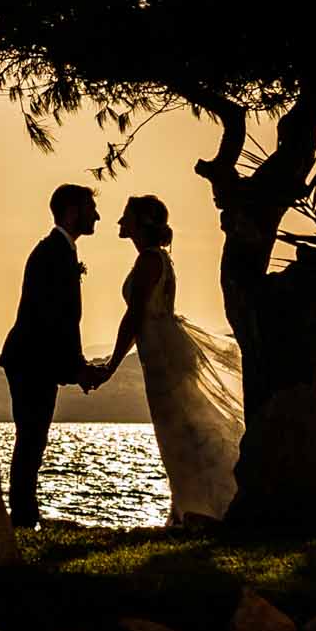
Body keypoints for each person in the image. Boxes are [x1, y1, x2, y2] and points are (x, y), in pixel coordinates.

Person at [96, 195, 241, 526]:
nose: (119, 222)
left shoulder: (149, 260)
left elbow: (135, 315)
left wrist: (112, 364)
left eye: (125, 216)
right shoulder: (155, 257)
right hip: (159, 352)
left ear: (140, 223)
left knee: (178, 431)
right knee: (177, 432)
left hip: (164, 356)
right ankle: (190, 508)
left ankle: (202, 509)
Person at [0, 184, 108, 527]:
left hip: (34, 360)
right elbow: (55, 320)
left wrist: (76, 367)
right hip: (31, 360)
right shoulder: (53, 253)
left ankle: (24, 513)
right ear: (72, 211)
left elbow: (62, 321)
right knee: (31, 437)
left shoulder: (60, 251)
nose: (97, 216)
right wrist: (77, 369)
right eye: (90, 208)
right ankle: (22, 516)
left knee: (33, 437)